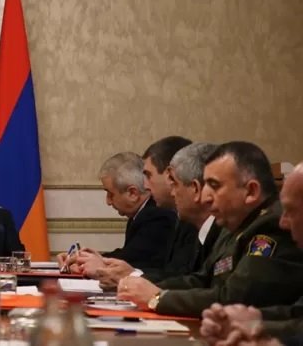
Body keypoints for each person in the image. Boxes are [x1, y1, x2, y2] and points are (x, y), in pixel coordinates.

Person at [117, 142, 303, 318]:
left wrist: (158, 298)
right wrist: (142, 286)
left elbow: (235, 298)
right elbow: (202, 279)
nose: (206, 197)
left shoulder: (272, 225)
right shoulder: (234, 225)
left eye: (215, 186)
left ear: (251, 191)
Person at [200, 163, 303, 345]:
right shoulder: (230, 229)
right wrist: (247, 321)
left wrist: (258, 330)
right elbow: (297, 314)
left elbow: (235, 294)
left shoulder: (267, 224)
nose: (283, 222)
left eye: (291, 210)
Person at [97, 143, 221, 287]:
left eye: (174, 181)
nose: (146, 186)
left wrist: (130, 276)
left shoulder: (161, 216)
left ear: (195, 188)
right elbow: (186, 278)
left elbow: (197, 284)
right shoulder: (186, 221)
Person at [58, 152, 176, 274]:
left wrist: (85, 260)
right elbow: (128, 254)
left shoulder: (158, 216)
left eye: (110, 194)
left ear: (133, 193)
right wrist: (86, 258)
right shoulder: (139, 214)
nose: (108, 202)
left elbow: (131, 260)